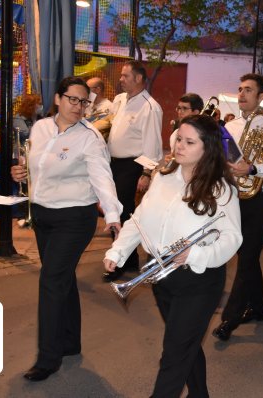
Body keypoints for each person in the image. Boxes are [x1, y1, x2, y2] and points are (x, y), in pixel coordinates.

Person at [104, 114, 242, 397]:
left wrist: (197, 253)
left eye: (189, 142)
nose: (179, 146)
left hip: (199, 282)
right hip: (161, 275)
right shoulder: (163, 179)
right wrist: (118, 251)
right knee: (185, 345)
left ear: (208, 149)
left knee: (174, 352)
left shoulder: (221, 189)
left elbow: (232, 239)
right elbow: (140, 219)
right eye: (179, 138)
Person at [11, 76, 122, 381]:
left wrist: (113, 214)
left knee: (50, 281)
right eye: (72, 99)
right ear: (58, 99)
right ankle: (71, 341)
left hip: (74, 219)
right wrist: (19, 172)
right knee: (61, 278)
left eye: (84, 101)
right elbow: (35, 168)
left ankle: (48, 358)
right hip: (43, 216)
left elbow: (102, 178)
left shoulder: (90, 137)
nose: (78, 106)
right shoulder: (41, 127)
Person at [212, 73, 263, 341]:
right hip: (234, 199)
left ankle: (229, 318)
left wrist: (253, 168)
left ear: (261, 96)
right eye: (240, 89)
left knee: (246, 259)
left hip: (259, 199)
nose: (241, 94)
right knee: (246, 256)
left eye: (248, 90)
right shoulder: (229, 128)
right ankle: (257, 307)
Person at [103, 60, 163, 282]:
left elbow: (152, 145)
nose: (120, 80)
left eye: (125, 76)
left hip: (132, 165)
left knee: (123, 213)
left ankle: (122, 260)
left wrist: (146, 174)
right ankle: (125, 259)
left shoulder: (150, 106)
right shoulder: (120, 100)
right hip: (114, 164)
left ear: (138, 78)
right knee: (114, 210)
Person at [13, 93, 43, 228]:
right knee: (23, 186)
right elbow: (26, 134)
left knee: (32, 185)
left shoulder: (36, 118)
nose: (39, 107)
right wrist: (39, 126)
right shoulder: (19, 118)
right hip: (22, 156)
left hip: (35, 155)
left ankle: (33, 214)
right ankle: (22, 215)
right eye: (37, 104)